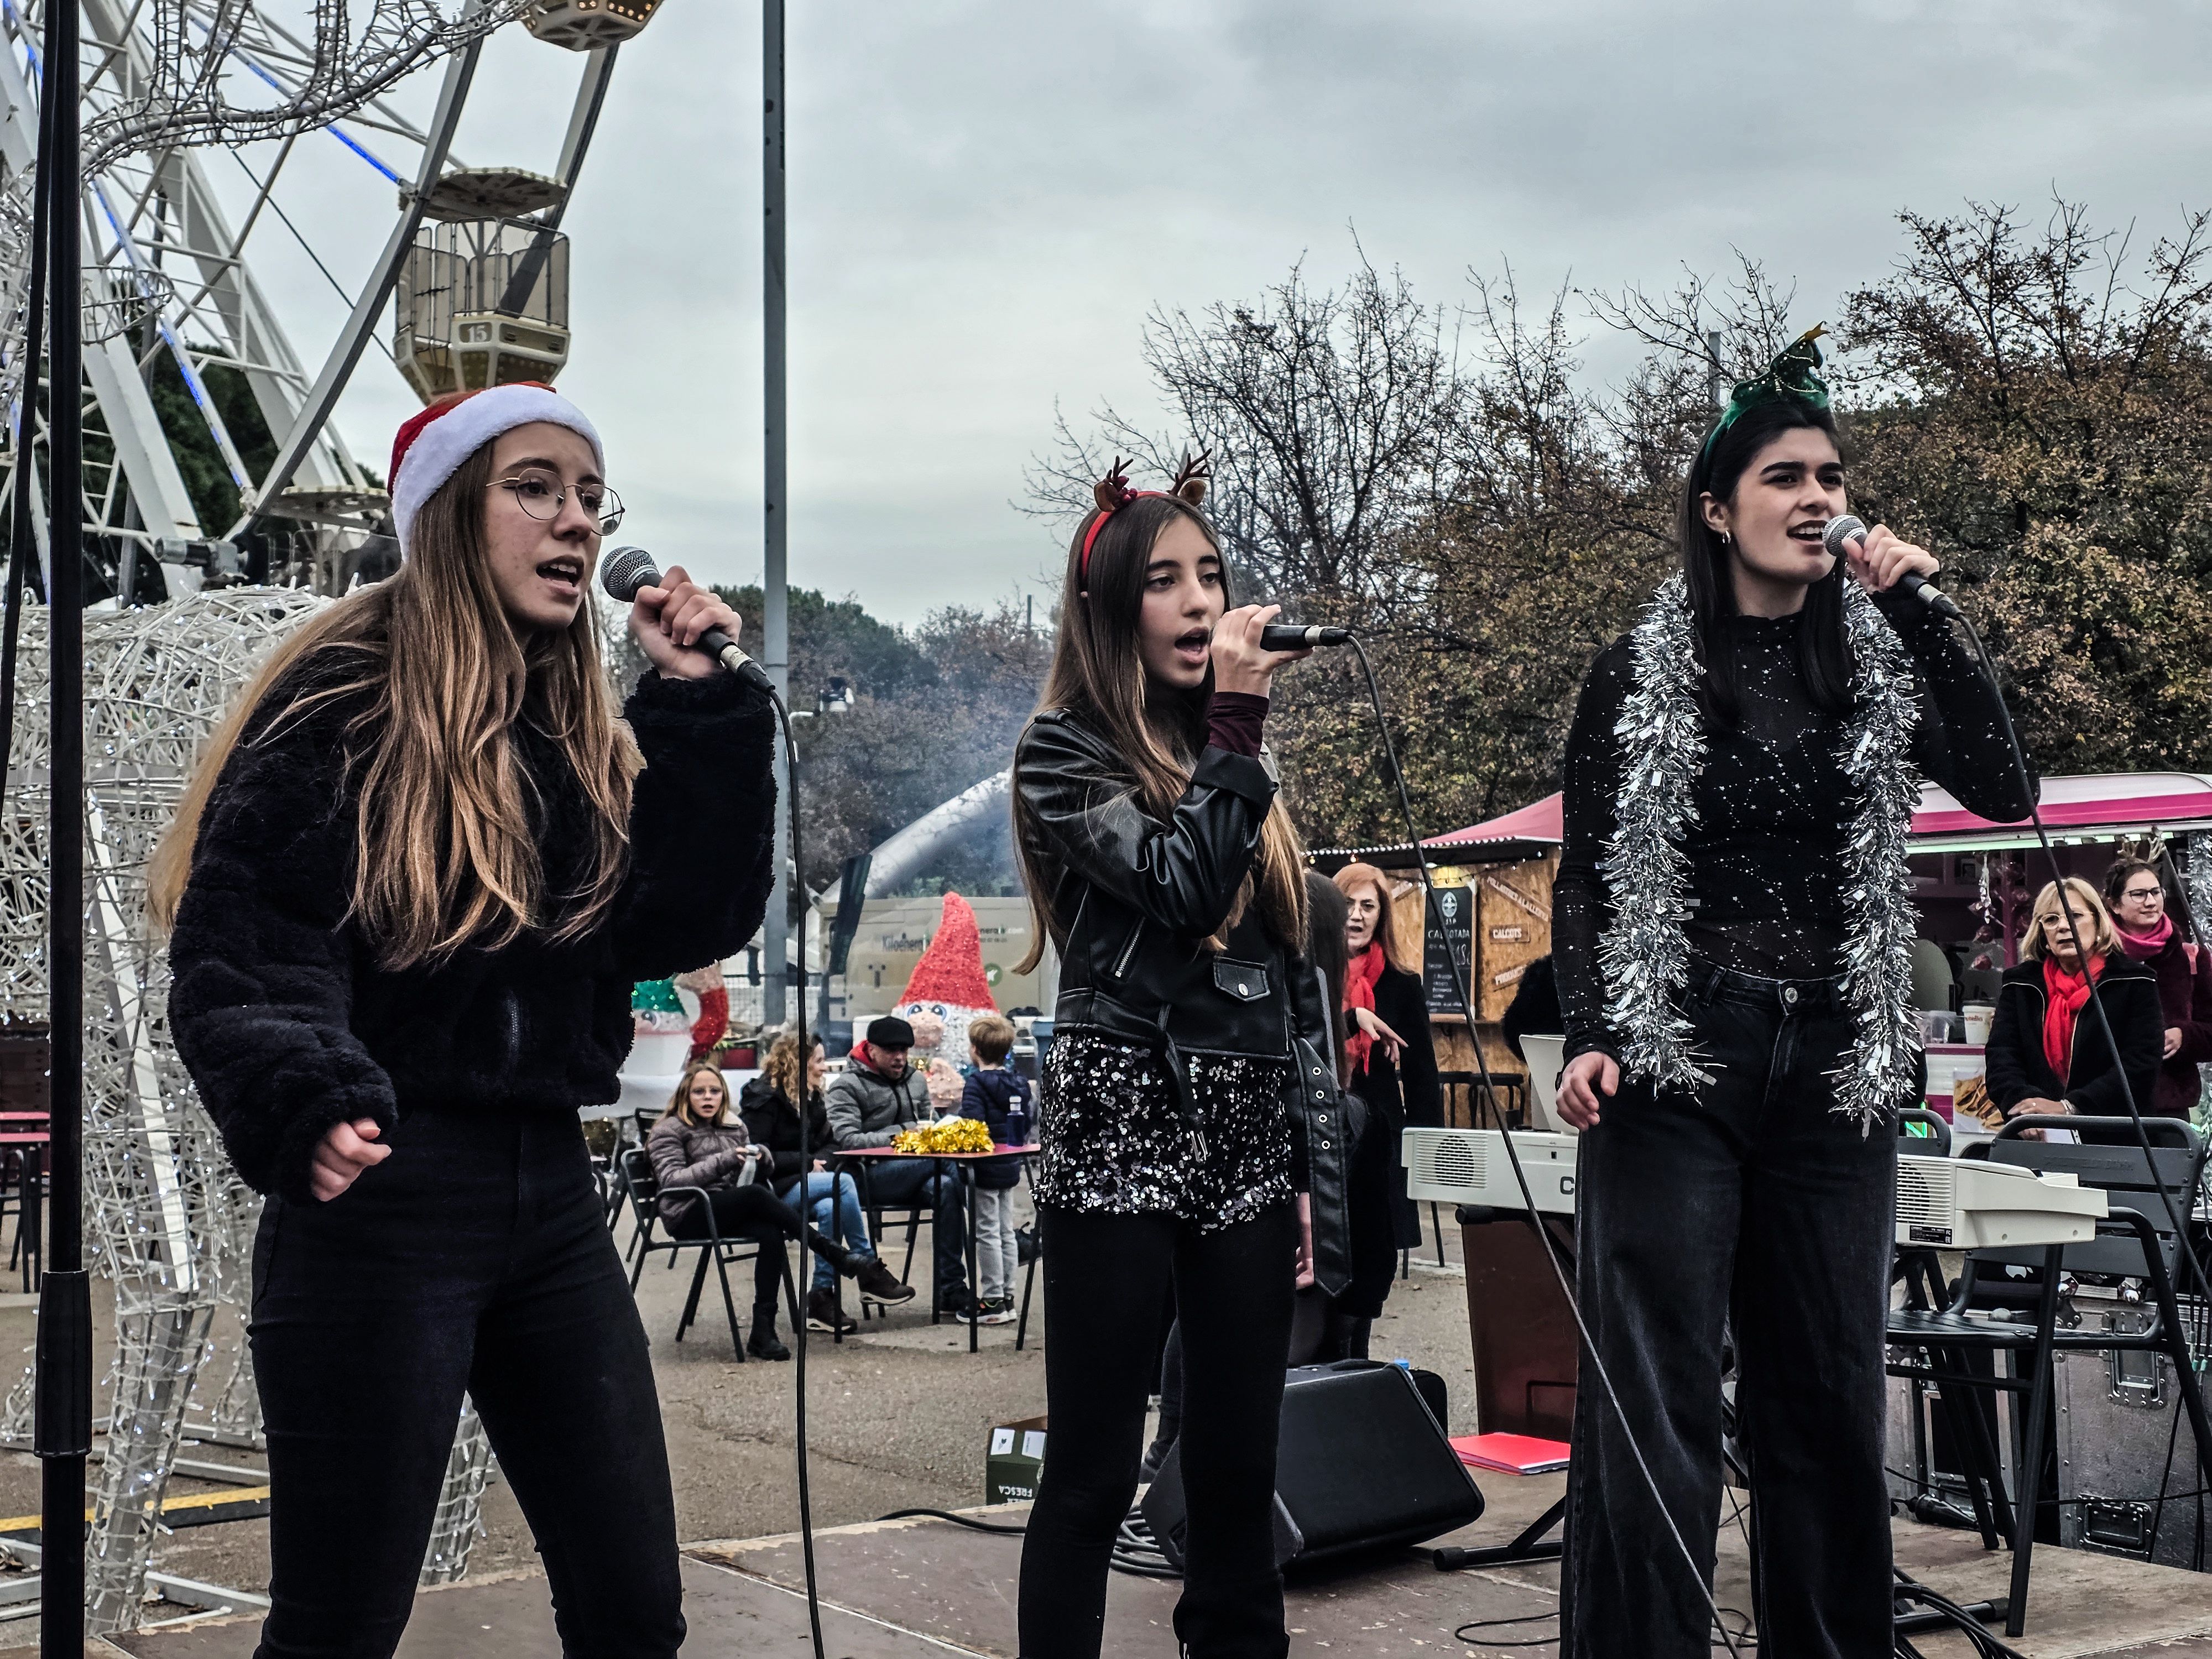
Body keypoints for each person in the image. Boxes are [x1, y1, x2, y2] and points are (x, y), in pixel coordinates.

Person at [153, 382, 776, 1658]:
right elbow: (250, 938)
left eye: (592, 498)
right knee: (339, 1625)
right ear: (446, 512)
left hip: (548, 1195)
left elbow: (673, 919)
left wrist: (702, 715)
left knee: (632, 1607)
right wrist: (305, 1089)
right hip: (381, 1205)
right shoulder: (338, 706)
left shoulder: (574, 730)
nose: (577, 523)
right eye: (534, 487)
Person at [1550, 330, 2036, 1658]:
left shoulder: (1872, 657)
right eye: (1784, 475)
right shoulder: (1638, 670)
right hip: (1679, 1053)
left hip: (1837, 1055)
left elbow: (2006, 787)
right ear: (1719, 508)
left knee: (1820, 1389)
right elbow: (1587, 867)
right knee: (1651, 1394)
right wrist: (1590, 1030)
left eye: (1829, 472)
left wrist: (1923, 606)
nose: (1816, 495)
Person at [1010, 453, 1347, 1659]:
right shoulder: (1063, 755)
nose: (1203, 602)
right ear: (1111, 605)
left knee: (1233, 1460)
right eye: (1166, 580)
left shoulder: (1230, 768)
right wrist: (1238, 728)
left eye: (1212, 574)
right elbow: (1177, 887)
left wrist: (1313, 1167)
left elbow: (1283, 979)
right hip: (1124, 1116)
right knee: (1094, 1469)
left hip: (1248, 1129)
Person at [648, 1060, 868, 1359]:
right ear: (685, 1095)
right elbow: (672, 1180)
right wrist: (725, 1160)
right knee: (754, 1196)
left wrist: (762, 1159)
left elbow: (750, 1174)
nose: (709, 1098)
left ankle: (763, 1332)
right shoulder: (669, 1130)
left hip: (727, 1207)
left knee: (771, 1232)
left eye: (715, 1091)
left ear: (724, 1096)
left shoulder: (732, 1126)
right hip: (688, 1212)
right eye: (700, 1092)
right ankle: (833, 1252)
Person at [1329, 862, 1443, 1357]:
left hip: (1377, 1145)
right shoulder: (1309, 975)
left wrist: (1430, 1157)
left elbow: (1423, 1079)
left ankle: (1356, 1370)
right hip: (1321, 1140)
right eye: (1348, 904)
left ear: (1381, 917)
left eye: (1367, 906)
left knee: (1370, 1270)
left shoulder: (1400, 983)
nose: (1356, 915)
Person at [741, 1032, 915, 1333]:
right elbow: (757, 1155)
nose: (824, 1068)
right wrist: (807, 1163)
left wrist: (818, 1164)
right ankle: (868, 1270)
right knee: (844, 1183)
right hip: (771, 1192)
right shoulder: (763, 1097)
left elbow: (833, 1144)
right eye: (818, 1061)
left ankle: (821, 1298)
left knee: (831, 1205)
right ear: (797, 1062)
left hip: (810, 1183)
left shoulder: (811, 1096)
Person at [826, 1014, 978, 1318]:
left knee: (947, 1186)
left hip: (918, 1170)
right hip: (867, 1176)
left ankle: (951, 1288)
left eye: (904, 1051)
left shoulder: (917, 1080)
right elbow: (847, 1140)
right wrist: (903, 1135)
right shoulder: (846, 1086)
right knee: (949, 1169)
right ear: (871, 1049)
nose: (899, 1058)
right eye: (891, 1051)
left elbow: (929, 1125)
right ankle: (1000, 1239)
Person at [1985, 877, 2164, 1131]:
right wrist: (2023, 1108)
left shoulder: (2134, 981)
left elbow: (2140, 1065)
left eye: (2075, 916)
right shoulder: (2020, 984)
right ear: (2043, 934)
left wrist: (2069, 1108)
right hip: (2034, 1134)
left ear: (2099, 923)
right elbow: (2001, 1056)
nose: (2063, 927)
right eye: (2051, 920)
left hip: (2116, 1137)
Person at [2104, 856, 2212, 1118]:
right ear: (2114, 904)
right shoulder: (2097, 957)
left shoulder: (2191, 957)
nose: (2151, 902)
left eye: (2155, 892)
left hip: (2169, 1108)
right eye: (2138, 895)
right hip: (2104, 1104)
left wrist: (2185, 1036)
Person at [959, 1013, 1034, 1327]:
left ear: (975, 1049)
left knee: (986, 1233)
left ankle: (990, 1299)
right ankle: (1008, 1297)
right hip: (1010, 1164)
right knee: (1006, 1231)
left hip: (984, 1166)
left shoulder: (976, 1083)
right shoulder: (1018, 1082)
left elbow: (972, 1125)